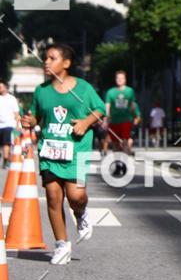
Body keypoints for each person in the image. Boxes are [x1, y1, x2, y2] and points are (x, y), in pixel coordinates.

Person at [22, 43, 105, 265]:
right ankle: (61, 244)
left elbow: (100, 110)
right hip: (50, 152)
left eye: (52, 58)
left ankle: (82, 213)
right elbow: (36, 117)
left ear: (66, 63)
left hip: (77, 153)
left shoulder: (83, 88)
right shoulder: (41, 91)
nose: (46, 62)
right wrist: (30, 121)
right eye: (45, 58)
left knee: (76, 196)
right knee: (53, 197)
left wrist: (87, 122)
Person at [105, 70, 139, 175]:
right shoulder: (110, 92)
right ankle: (118, 164)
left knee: (124, 141)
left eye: (122, 78)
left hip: (126, 120)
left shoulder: (130, 91)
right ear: (115, 80)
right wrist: (106, 117)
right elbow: (107, 105)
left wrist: (135, 116)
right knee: (114, 143)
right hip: (114, 121)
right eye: (118, 78)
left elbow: (133, 104)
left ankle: (124, 163)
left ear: (125, 80)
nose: (120, 80)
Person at [0, 80, 20, 168]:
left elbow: (16, 113)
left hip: (8, 125)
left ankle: (5, 160)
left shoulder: (11, 99)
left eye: (1, 86)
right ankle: (5, 157)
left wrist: (17, 125)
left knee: (6, 143)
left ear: (5, 88)